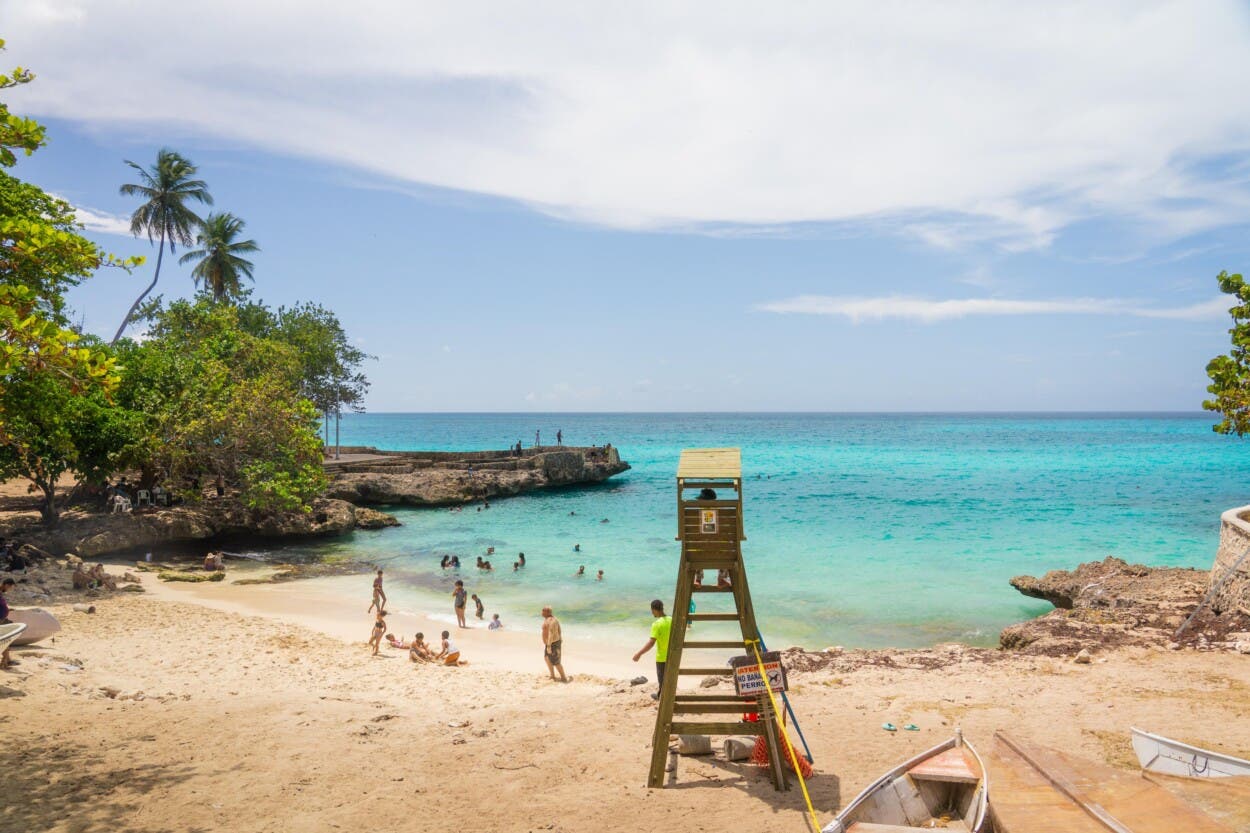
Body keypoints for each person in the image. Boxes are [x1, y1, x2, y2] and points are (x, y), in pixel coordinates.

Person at [632, 599, 672, 701]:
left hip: (662, 657)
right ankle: (661, 695)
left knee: (662, 680)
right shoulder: (672, 620)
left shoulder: (656, 624)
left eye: (652, 610)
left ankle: (662, 698)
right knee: (669, 679)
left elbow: (651, 643)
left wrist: (639, 654)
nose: (652, 613)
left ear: (654, 610)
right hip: (672, 656)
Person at [541, 605, 567, 682]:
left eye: (543, 611)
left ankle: (563, 677)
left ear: (547, 612)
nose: (541, 613)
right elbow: (559, 629)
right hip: (549, 643)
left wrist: (549, 646)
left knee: (556, 662)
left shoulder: (552, 621)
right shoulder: (547, 619)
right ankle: (552, 675)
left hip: (553, 643)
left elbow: (551, 633)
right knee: (547, 658)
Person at [0, 577, 14, 669]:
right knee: (5, 639)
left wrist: (8, 609)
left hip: (2, 618)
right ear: (6, 585)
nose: (10, 589)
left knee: (7, 638)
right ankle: (4, 661)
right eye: (10, 587)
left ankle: (7, 660)